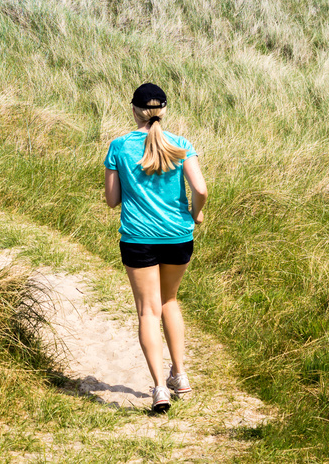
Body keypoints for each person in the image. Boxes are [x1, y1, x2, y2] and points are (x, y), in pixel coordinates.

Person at [103, 82, 208, 413]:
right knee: (169, 301)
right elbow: (201, 189)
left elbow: (111, 200)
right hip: (178, 236)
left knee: (148, 310)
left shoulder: (119, 146)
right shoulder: (181, 144)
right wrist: (196, 212)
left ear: (134, 110)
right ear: (164, 110)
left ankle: (160, 388)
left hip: (138, 238)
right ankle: (181, 374)